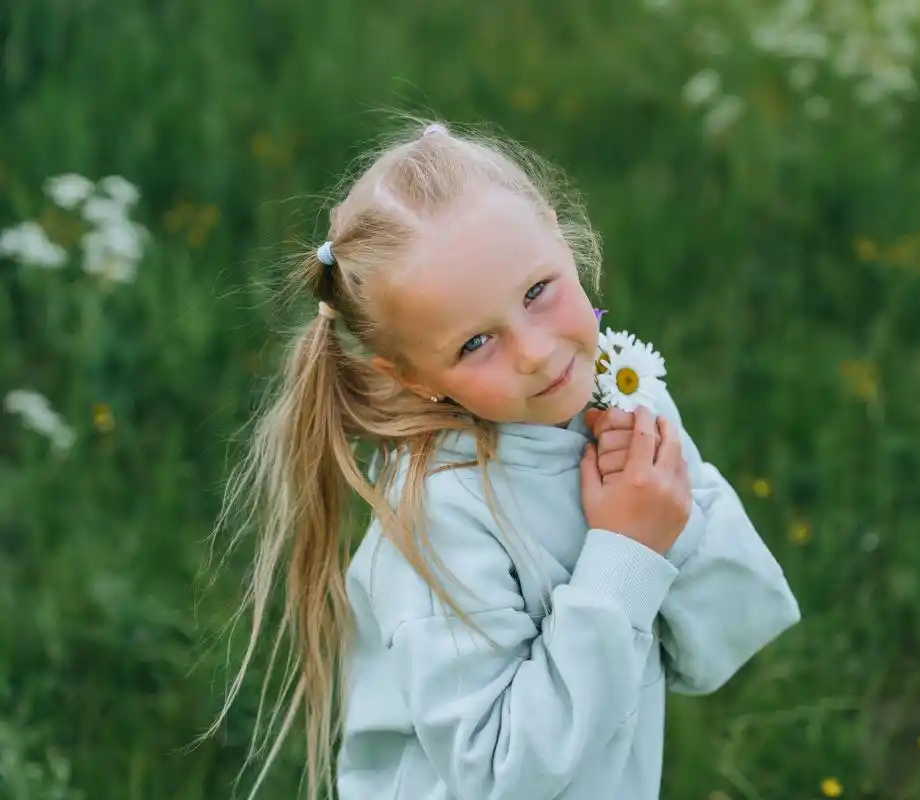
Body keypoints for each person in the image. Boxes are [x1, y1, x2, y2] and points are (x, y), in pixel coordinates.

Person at [204, 117, 801, 800]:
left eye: (536, 292)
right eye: (475, 342)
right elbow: (498, 776)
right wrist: (627, 554)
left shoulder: (622, 397)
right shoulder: (440, 513)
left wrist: (667, 520)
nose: (538, 352)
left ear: (556, 233)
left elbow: (722, 638)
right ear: (412, 378)